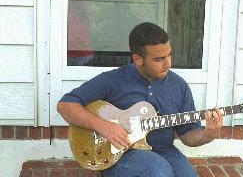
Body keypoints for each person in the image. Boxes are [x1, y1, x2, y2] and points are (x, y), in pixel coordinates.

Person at [57, 22, 223, 177]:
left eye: (169, 55)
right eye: (159, 59)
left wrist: (208, 135)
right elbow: (65, 105)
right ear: (138, 59)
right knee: (158, 170)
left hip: (164, 151)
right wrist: (104, 126)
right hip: (120, 154)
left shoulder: (179, 86)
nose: (168, 64)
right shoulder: (113, 80)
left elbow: (187, 135)